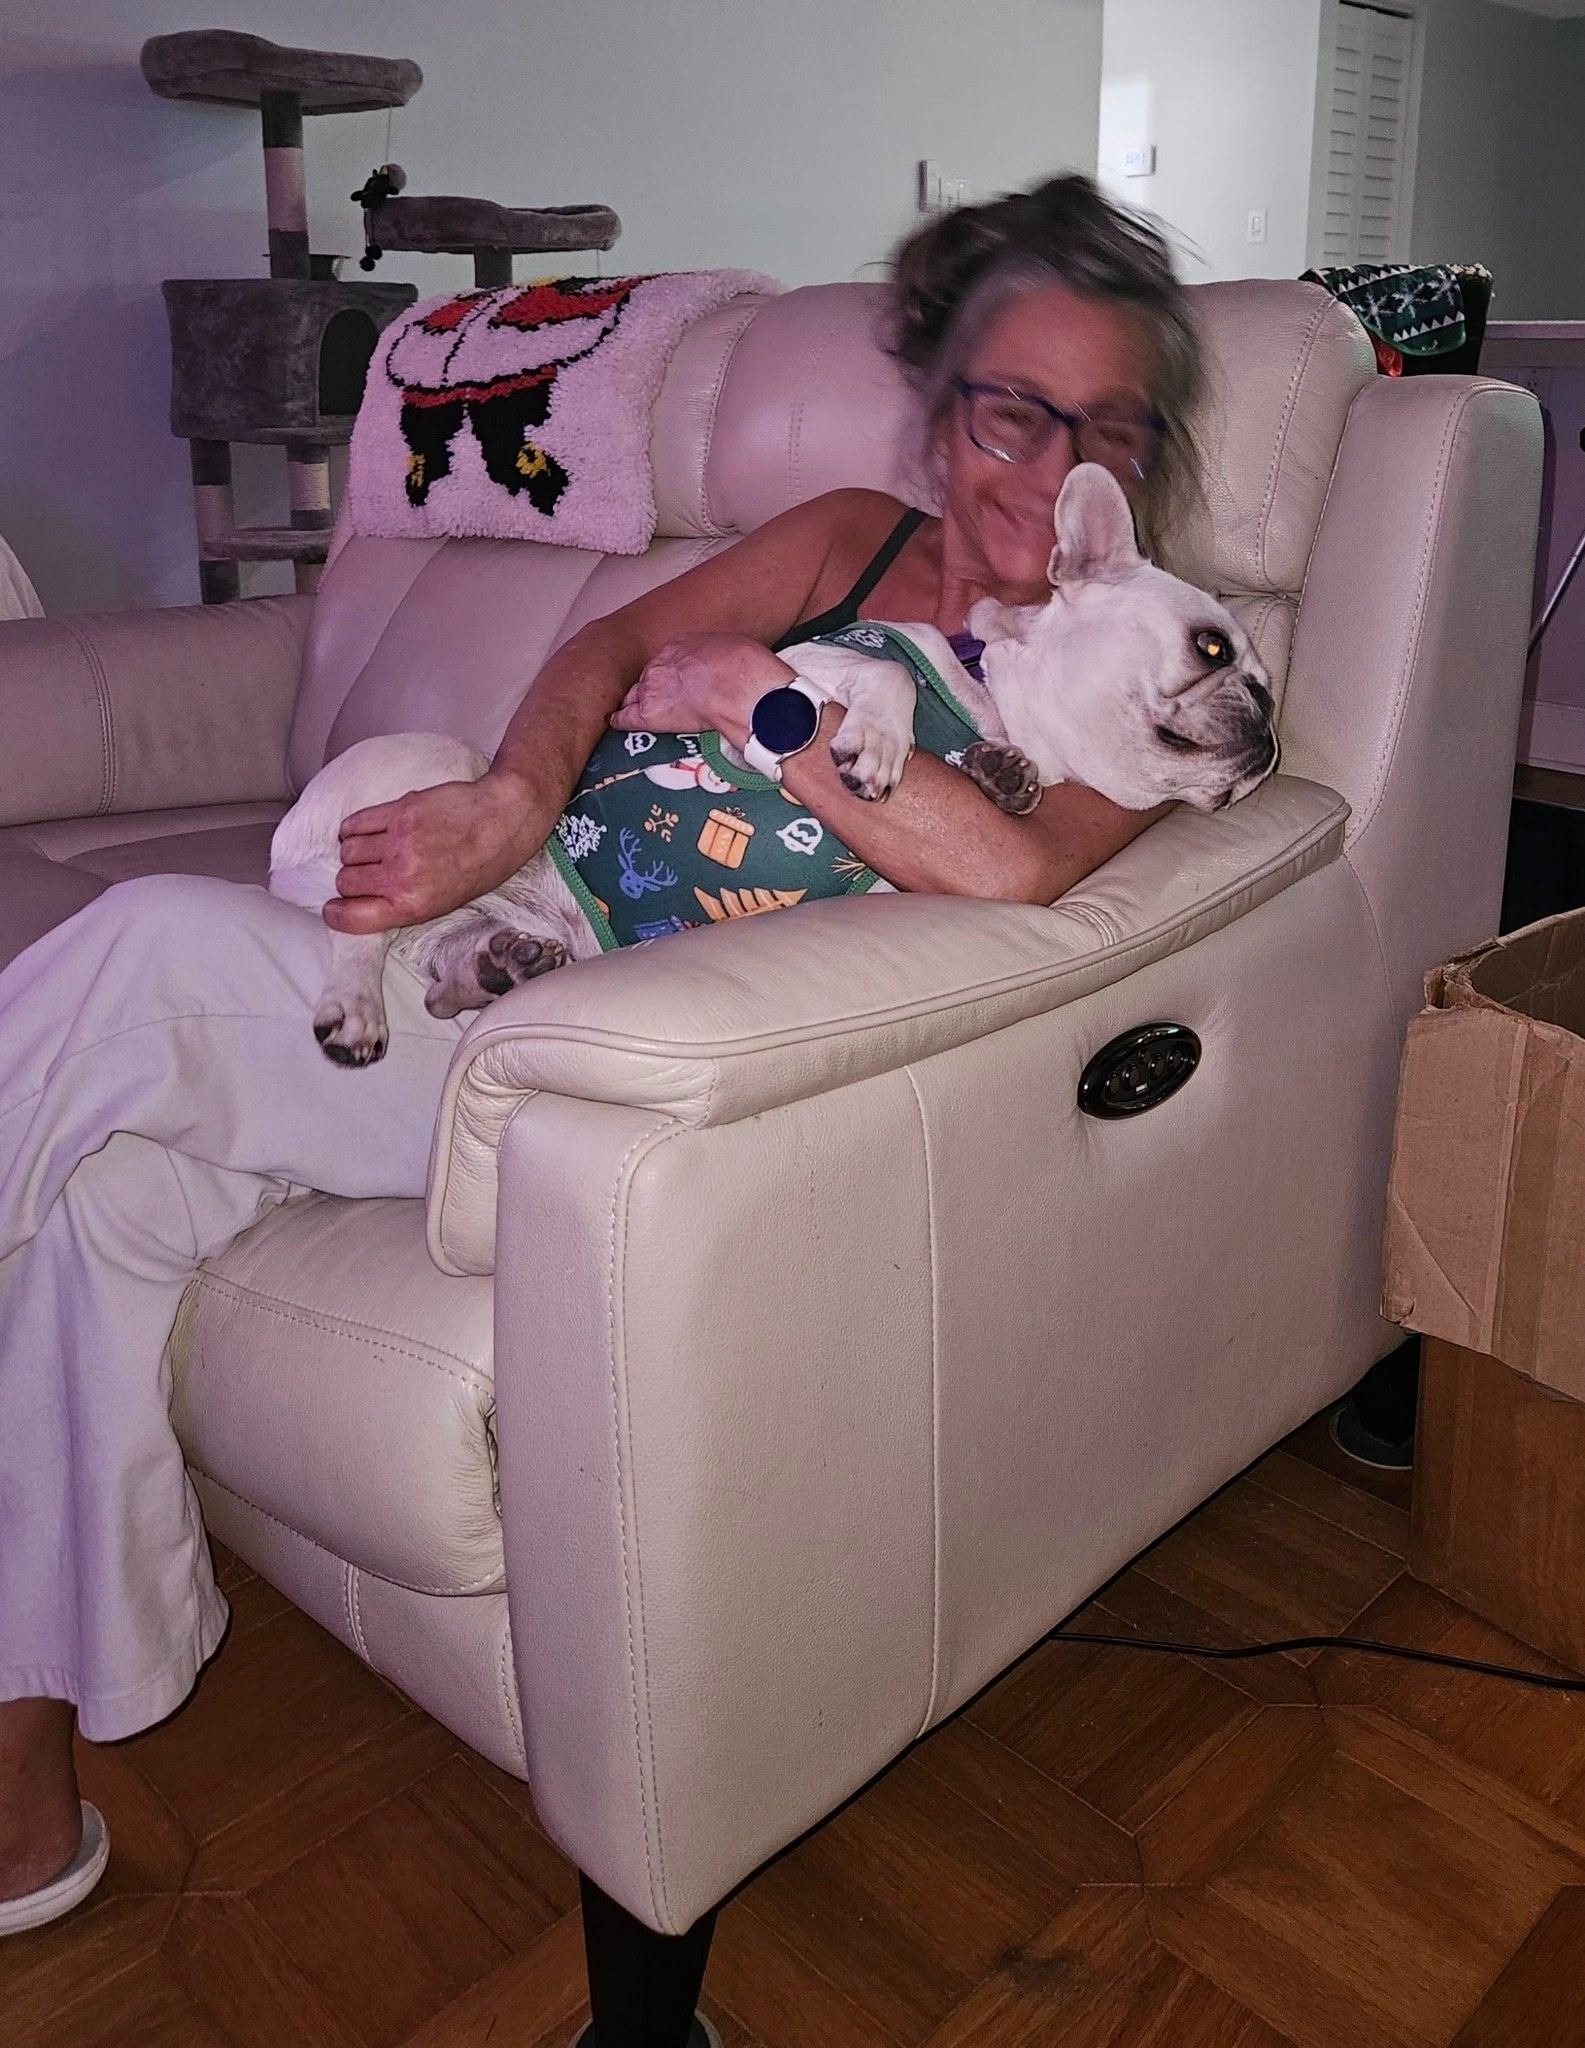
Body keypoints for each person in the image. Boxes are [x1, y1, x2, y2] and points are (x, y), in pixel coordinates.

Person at [0, 173, 1205, 1929]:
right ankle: (26, 1797)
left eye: (1107, 424)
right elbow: (610, 640)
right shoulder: (847, 539)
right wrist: (507, 798)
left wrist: (761, 704)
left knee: (146, 950)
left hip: (579, 1068)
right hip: (491, 940)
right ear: (944, 415)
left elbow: (1011, 868)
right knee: (99, 1197)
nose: (1051, 466)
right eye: (1012, 410)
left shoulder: (1149, 671)